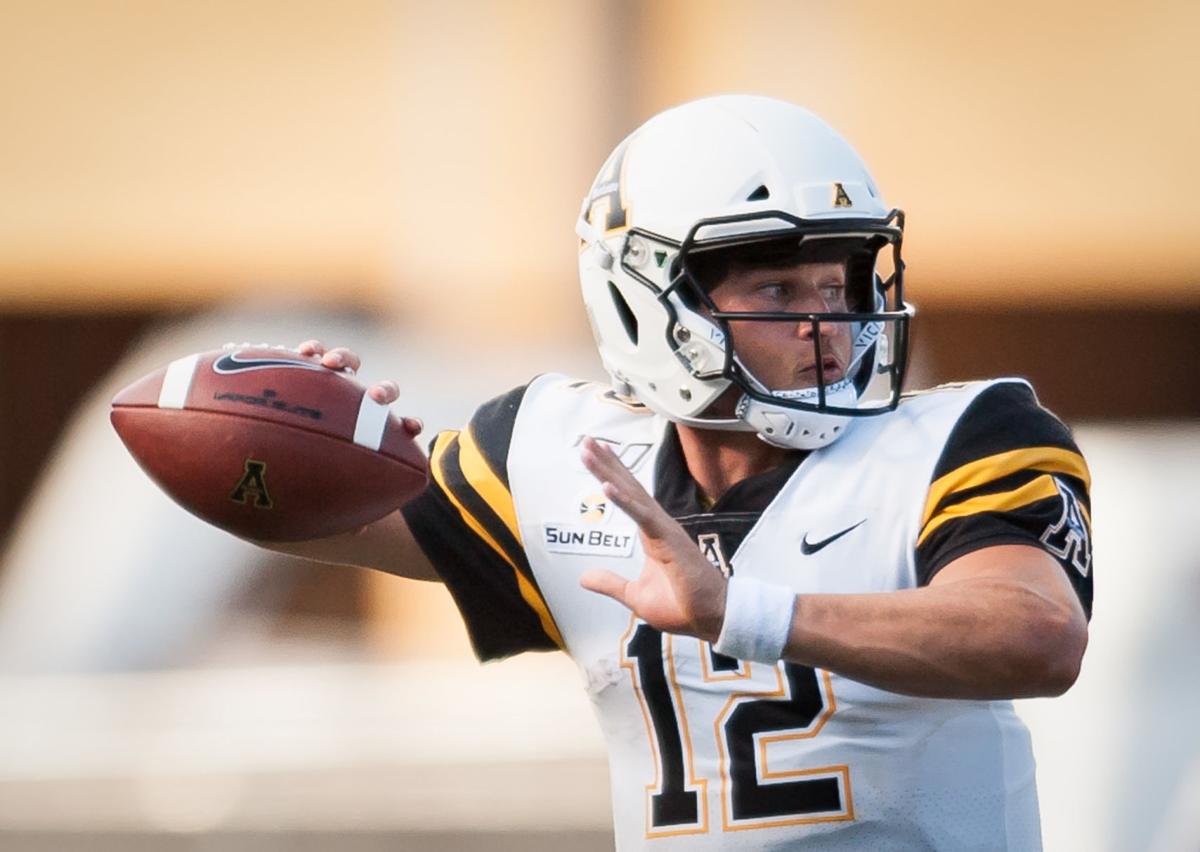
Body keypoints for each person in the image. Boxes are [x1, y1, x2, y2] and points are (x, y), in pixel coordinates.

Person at [266, 95, 1092, 850]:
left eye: (839, 286)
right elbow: (304, 512)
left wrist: (743, 611)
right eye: (776, 290)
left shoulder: (964, 437)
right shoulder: (557, 451)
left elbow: (1036, 637)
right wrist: (282, 425)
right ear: (644, 299)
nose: (827, 328)